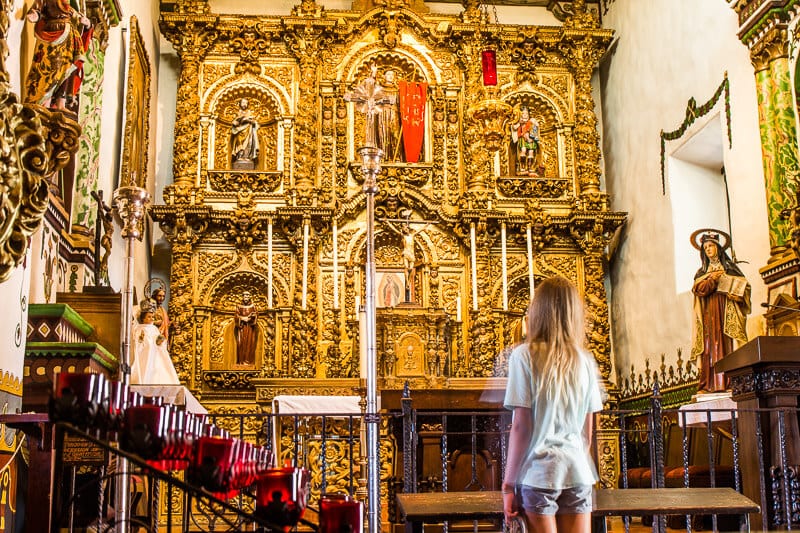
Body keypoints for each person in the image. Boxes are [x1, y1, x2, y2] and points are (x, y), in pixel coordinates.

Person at [502, 276, 604, 533]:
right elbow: (587, 434)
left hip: (539, 473)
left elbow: (521, 428)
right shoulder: (585, 361)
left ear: (537, 311)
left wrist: (508, 485)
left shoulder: (524, 356)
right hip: (578, 472)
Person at [690, 232, 750, 393]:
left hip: (727, 310)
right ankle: (708, 384)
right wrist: (713, 279)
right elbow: (698, 289)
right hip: (709, 313)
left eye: (711, 246)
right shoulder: (701, 273)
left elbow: (745, 288)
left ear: (718, 248)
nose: (708, 250)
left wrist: (735, 294)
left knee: (728, 345)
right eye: (706, 248)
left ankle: (732, 382)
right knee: (709, 347)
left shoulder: (730, 268)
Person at [25, 0, 92, 110]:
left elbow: (81, 22)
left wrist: (87, 23)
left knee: (67, 71)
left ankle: (61, 101)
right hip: (52, 40)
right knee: (52, 70)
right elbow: (38, 10)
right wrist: (35, 15)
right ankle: (45, 101)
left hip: (69, 42)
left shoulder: (70, 8)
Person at [131, 300, 180, 385]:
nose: (152, 319)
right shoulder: (139, 329)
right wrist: (141, 340)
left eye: (152, 317)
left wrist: (160, 341)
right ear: (143, 318)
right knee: (144, 369)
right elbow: (137, 342)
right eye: (149, 317)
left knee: (157, 370)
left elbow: (159, 341)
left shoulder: (154, 328)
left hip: (155, 354)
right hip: (144, 354)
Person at [510, 106, 544, 176]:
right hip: (523, 139)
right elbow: (514, 127)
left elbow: (536, 128)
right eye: (523, 114)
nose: (525, 115)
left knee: (531, 152)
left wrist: (533, 123)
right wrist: (519, 122)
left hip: (531, 140)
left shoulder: (531, 122)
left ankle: (530, 167)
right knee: (523, 151)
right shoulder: (520, 122)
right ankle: (522, 167)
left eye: (526, 114)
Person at [377, 69, 401, 161]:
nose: (390, 76)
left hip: (394, 113)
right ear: (384, 77)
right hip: (383, 113)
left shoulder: (397, 90)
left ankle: (396, 156)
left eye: (392, 74)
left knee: (395, 134)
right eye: (388, 74)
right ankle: (383, 156)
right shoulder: (380, 89)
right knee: (383, 134)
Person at [230, 98, 260, 170]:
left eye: (246, 103)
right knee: (239, 143)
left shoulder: (249, 112)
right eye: (243, 102)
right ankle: (239, 157)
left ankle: (247, 157)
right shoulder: (238, 112)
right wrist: (236, 122)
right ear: (240, 103)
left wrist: (250, 121)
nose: (244, 104)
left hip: (248, 130)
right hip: (239, 131)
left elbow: (254, 122)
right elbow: (234, 122)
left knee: (248, 144)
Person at [232, 291, 259, 365]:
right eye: (245, 296)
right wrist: (242, 319)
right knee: (240, 344)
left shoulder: (253, 306)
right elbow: (236, 316)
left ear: (249, 297)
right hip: (241, 328)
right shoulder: (239, 306)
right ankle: (241, 361)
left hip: (250, 328)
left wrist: (251, 317)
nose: (246, 297)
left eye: (247, 296)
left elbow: (256, 315)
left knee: (249, 344)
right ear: (243, 297)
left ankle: (248, 361)